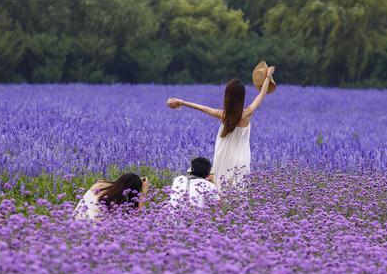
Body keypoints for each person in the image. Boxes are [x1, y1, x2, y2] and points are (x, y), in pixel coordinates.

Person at [167, 62, 275, 191]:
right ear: (242, 97)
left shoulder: (223, 115)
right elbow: (262, 94)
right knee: (239, 190)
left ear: (227, 97)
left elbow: (202, 108)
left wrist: (182, 102)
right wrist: (268, 76)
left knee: (220, 188)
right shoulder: (247, 114)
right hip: (241, 158)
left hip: (223, 155)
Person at [74, 173, 149, 220]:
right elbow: (137, 218)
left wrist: (134, 180)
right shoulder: (117, 202)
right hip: (92, 233)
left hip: (75, 222)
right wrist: (143, 192)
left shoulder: (100, 185)